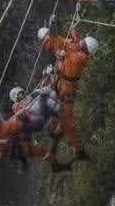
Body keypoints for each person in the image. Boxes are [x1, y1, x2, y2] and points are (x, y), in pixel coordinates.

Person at [39, 28, 98, 171]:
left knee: (67, 122)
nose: (80, 43)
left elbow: (67, 45)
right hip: (61, 84)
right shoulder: (80, 53)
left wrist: (54, 32)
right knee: (62, 120)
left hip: (65, 91)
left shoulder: (79, 57)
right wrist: (73, 31)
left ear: (84, 48)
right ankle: (57, 135)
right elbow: (75, 43)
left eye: (82, 43)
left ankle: (78, 150)